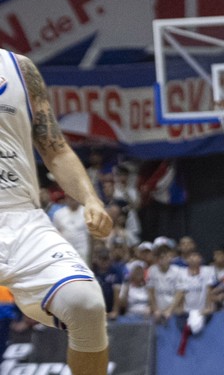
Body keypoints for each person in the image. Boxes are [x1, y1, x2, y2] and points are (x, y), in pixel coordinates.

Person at [0, 50, 113, 374]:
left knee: (86, 304)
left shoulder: (19, 69)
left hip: (23, 219)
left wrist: (91, 199)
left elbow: (55, 148)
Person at [51, 195, 92, 263]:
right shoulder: (59, 214)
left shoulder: (86, 213)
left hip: (82, 250)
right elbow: (55, 233)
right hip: (65, 250)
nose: (72, 201)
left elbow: (90, 235)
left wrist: (91, 255)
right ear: (66, 199)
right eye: (70, 198)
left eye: (74, 198)